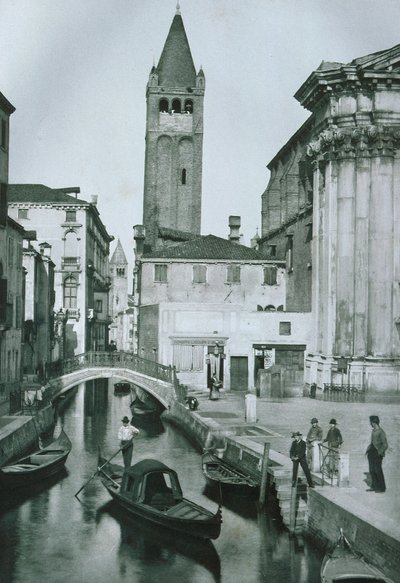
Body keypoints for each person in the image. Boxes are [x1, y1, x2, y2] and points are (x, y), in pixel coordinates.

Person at [366, 415, 388, 493]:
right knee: (372, 470)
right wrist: (368, 450)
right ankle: (374, 487)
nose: (370, 424)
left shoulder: (381, 432)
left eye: (371, 422)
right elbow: (372, 442)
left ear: (374, 422)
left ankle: (382, 488)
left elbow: (385, 445)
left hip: (378, 454)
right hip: (371, 453)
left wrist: (379, 453)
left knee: (378, 471)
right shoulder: (373, 431)